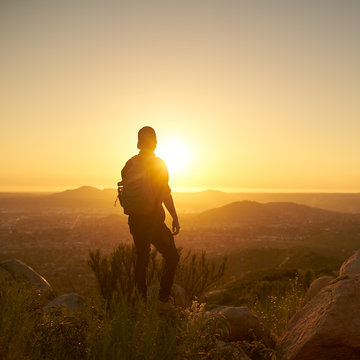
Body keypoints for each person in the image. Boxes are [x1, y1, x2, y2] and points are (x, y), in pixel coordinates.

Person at [119, 126, 180, 303]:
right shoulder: (158, 164)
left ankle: (141, 300)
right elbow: (164, 193)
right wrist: (174, 216)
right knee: (172, 257)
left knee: (142, 257)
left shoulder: (130, 164)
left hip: (135, 219)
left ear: (139, 142)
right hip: (153, 220)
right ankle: (163, 298)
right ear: (155, 143)